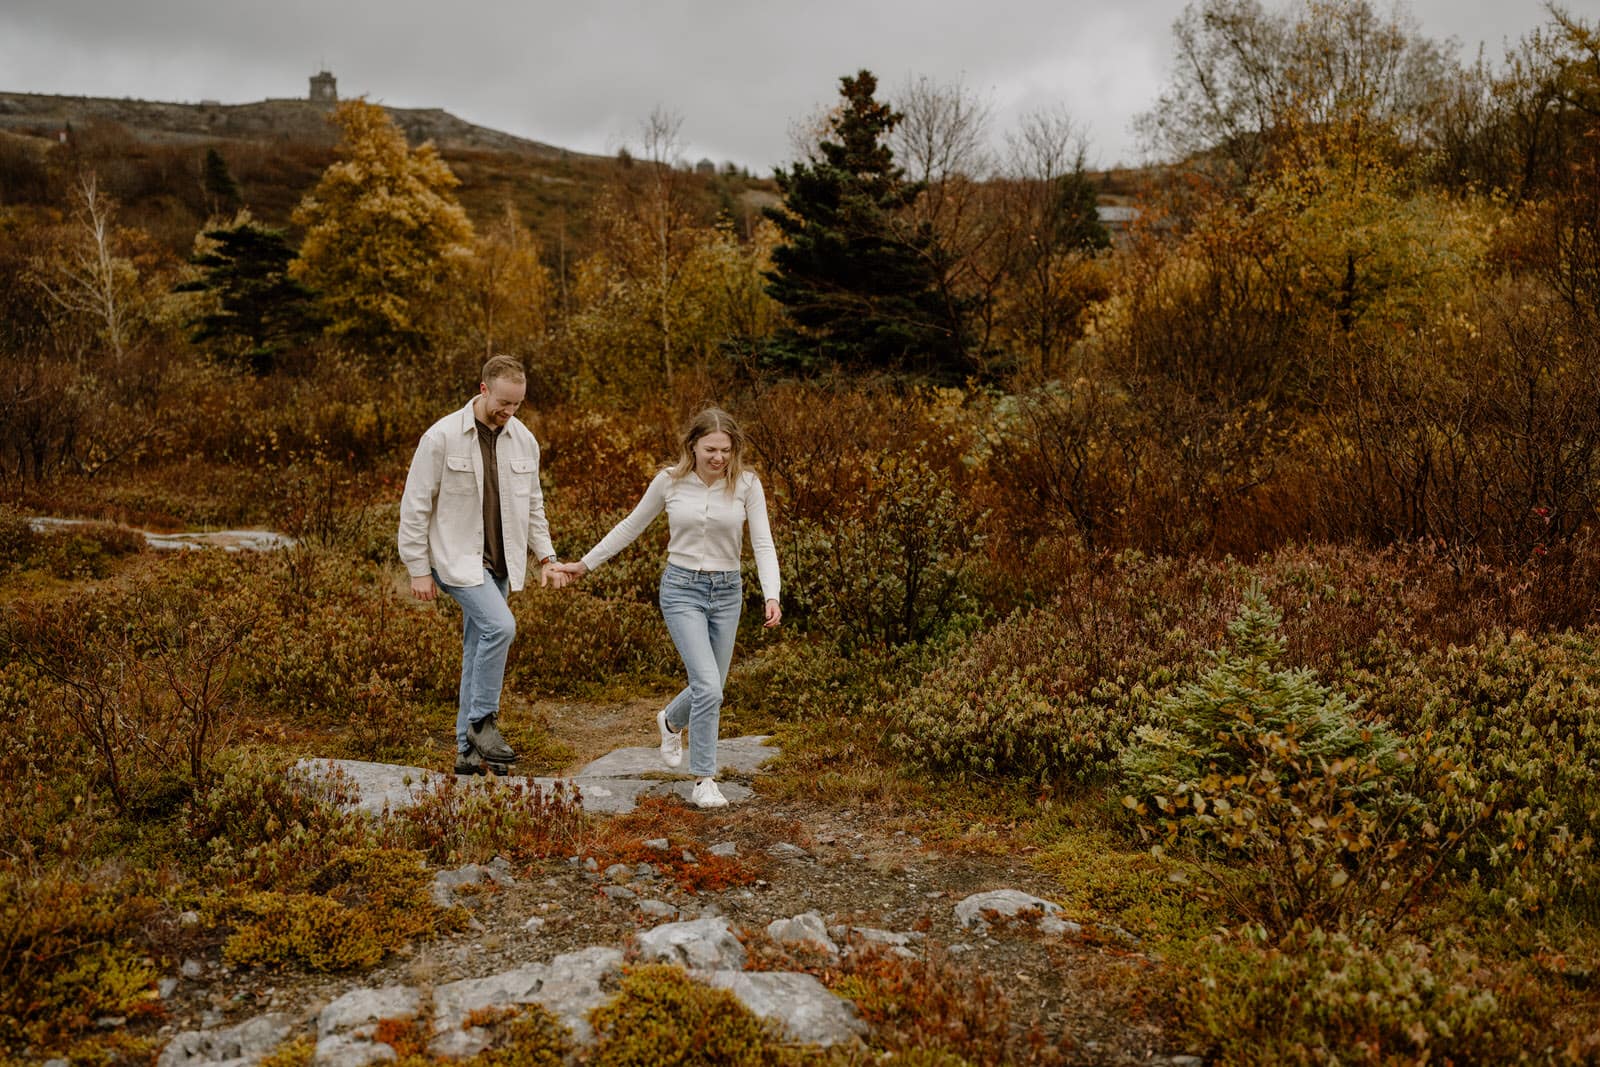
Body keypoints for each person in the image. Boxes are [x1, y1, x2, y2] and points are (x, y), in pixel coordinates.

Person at [557, 406, 780, 808]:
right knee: (709, 687)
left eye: (726, 450)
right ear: (692, 446)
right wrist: (584, 564)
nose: (718, 458)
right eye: (711, 449)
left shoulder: (747, 485)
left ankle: (671, 720)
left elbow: (762, 543)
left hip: (727, 592)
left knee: (712, 686)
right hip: (682, 590)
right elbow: (630, 526)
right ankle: (704, 779)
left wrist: (772, 593)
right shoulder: (669, 482)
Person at [397, 354, 569, 775]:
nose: (509, 412)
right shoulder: (441, 437)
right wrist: (418, 567)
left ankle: (467, 753)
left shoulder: (524, 440)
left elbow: (533, 506)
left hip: (501, 562)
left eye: (517, 404)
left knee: (478, 647)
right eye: (503, 403)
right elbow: (415, 506)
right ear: (483, 389)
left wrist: (547, 556)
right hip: (456, 560)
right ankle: (482, 722)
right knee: (500, 627)